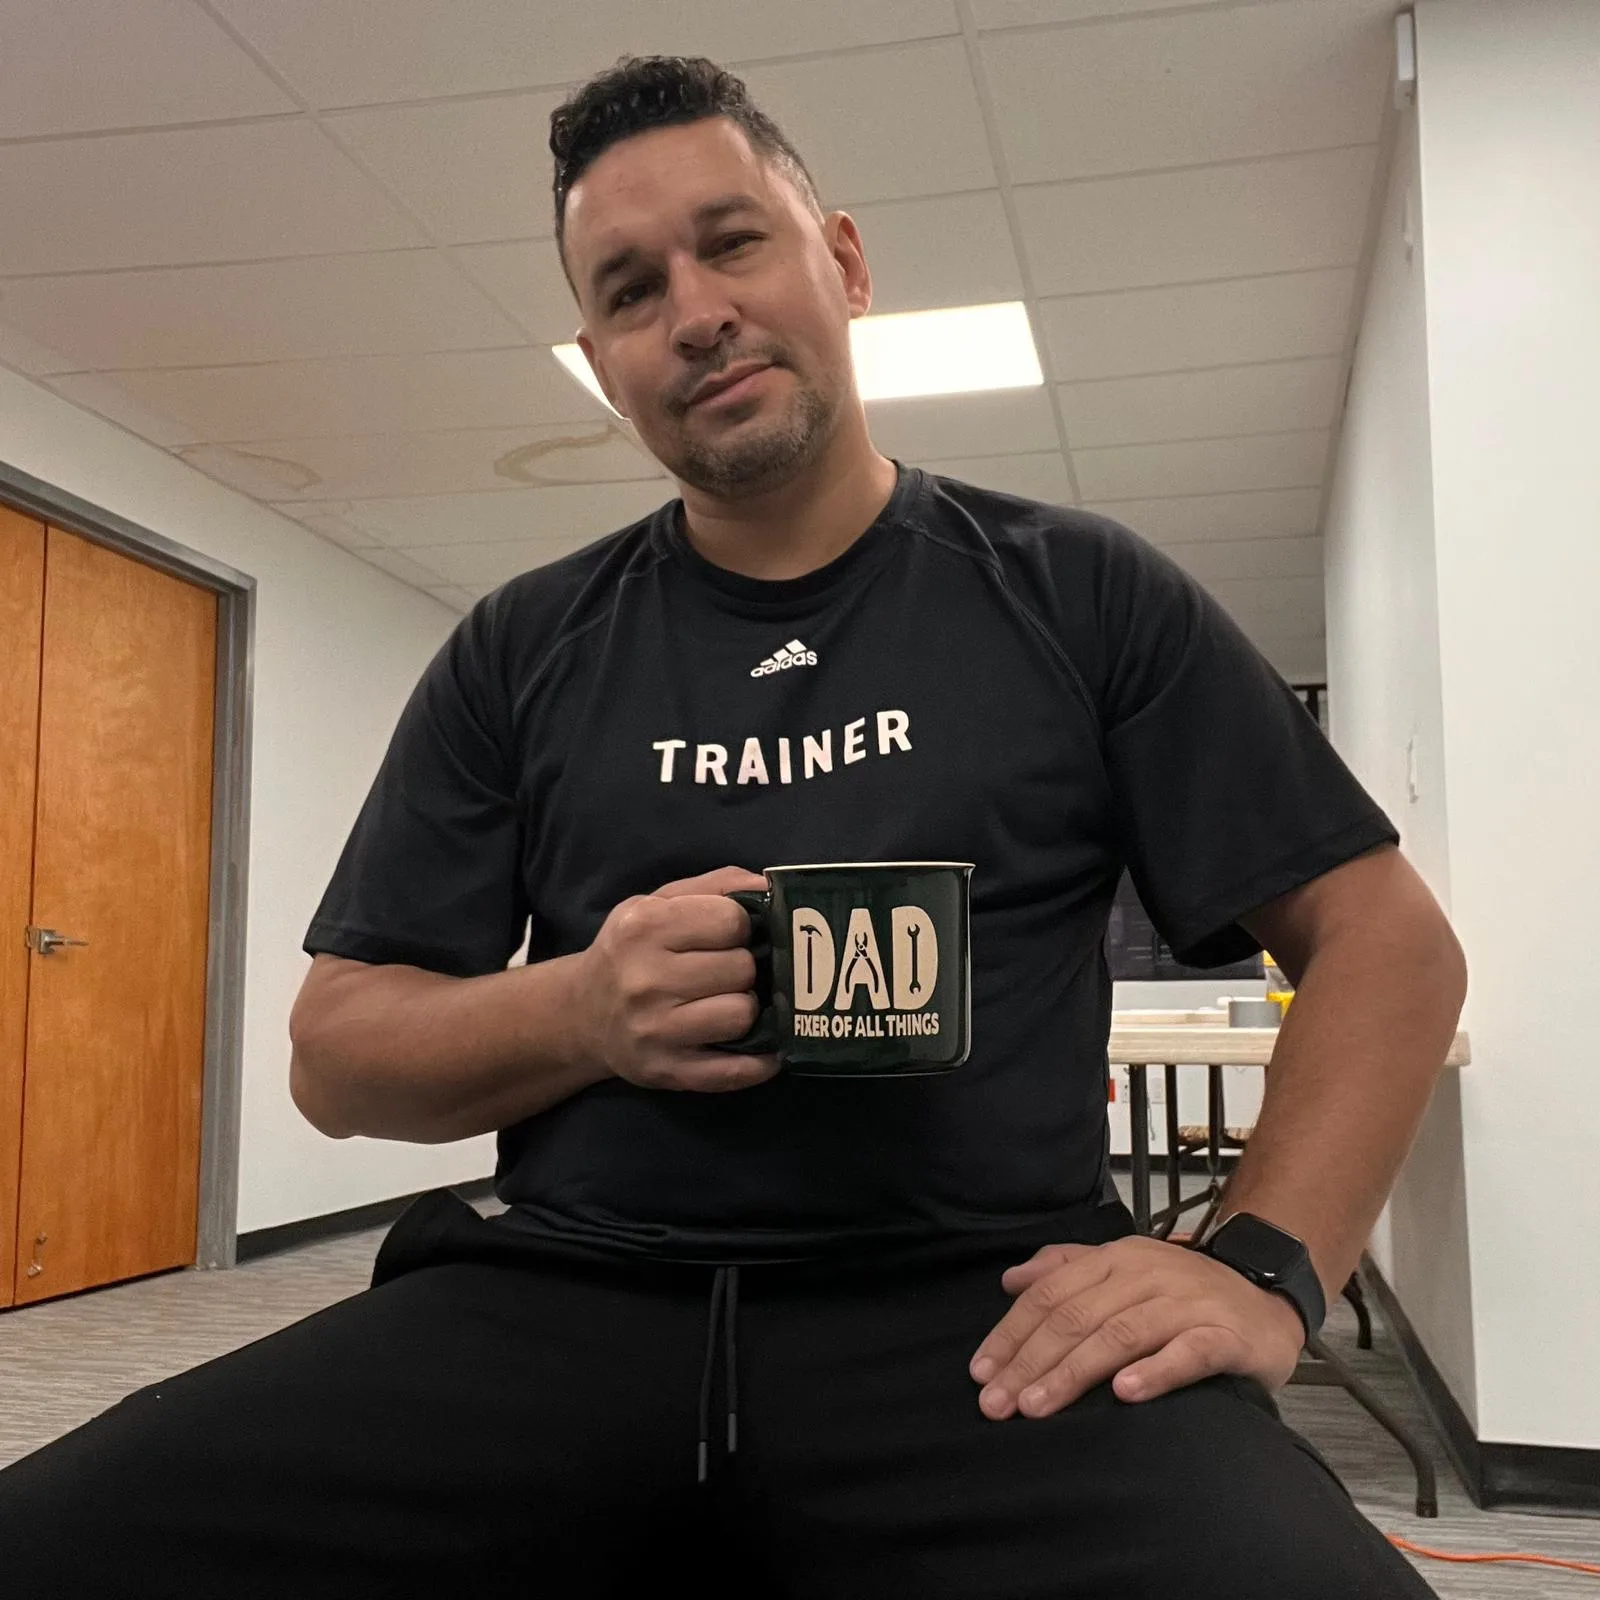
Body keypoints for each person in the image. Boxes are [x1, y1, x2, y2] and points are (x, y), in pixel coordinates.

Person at [0, 54, 1466, 1599]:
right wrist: (583, 1007)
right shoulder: (522, 645)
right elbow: (337, 1057)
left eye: (733, 243)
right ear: (601, 363)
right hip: (570, 1293)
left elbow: (1388, 945)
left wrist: (1260, 1267)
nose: (693, 312)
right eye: (632, 290)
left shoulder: (1080, 592)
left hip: (988, 1315)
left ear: (843, 262)